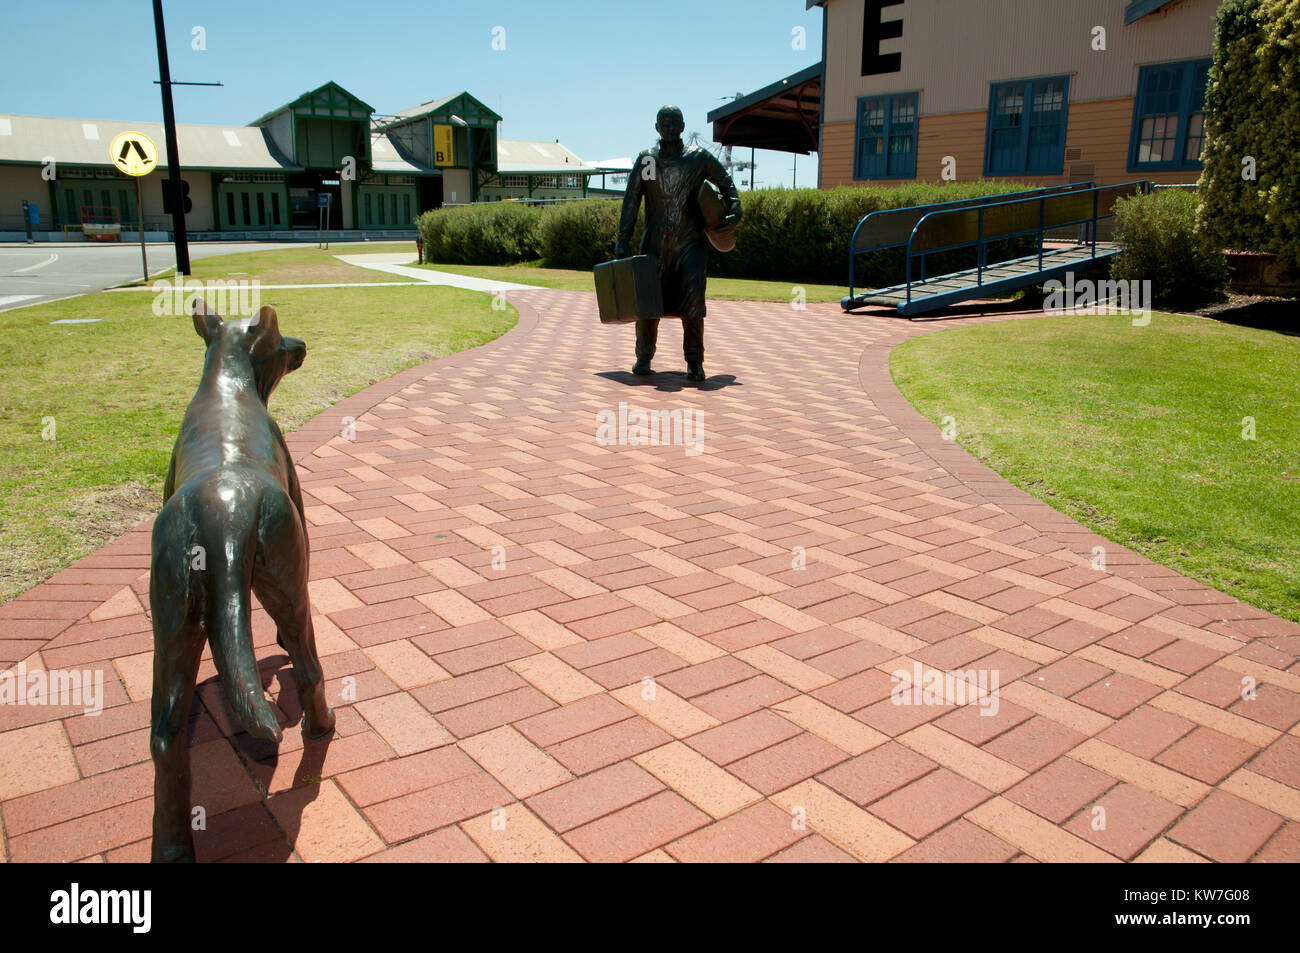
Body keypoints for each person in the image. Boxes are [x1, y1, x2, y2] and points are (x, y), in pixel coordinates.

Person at [615, 105, 742, 382]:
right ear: (657, 127)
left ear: (683, 126)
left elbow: (726, 183)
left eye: (675, 122)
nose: (670, 126)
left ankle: (695, 361)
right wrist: (623, 239)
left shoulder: (698, 159)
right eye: (665, 122)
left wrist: (735, 206)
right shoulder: (648, 160)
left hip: (690, 244)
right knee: (647, 304)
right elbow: (632, 200)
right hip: (654, 245)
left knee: (694, 301)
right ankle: (643, 356)